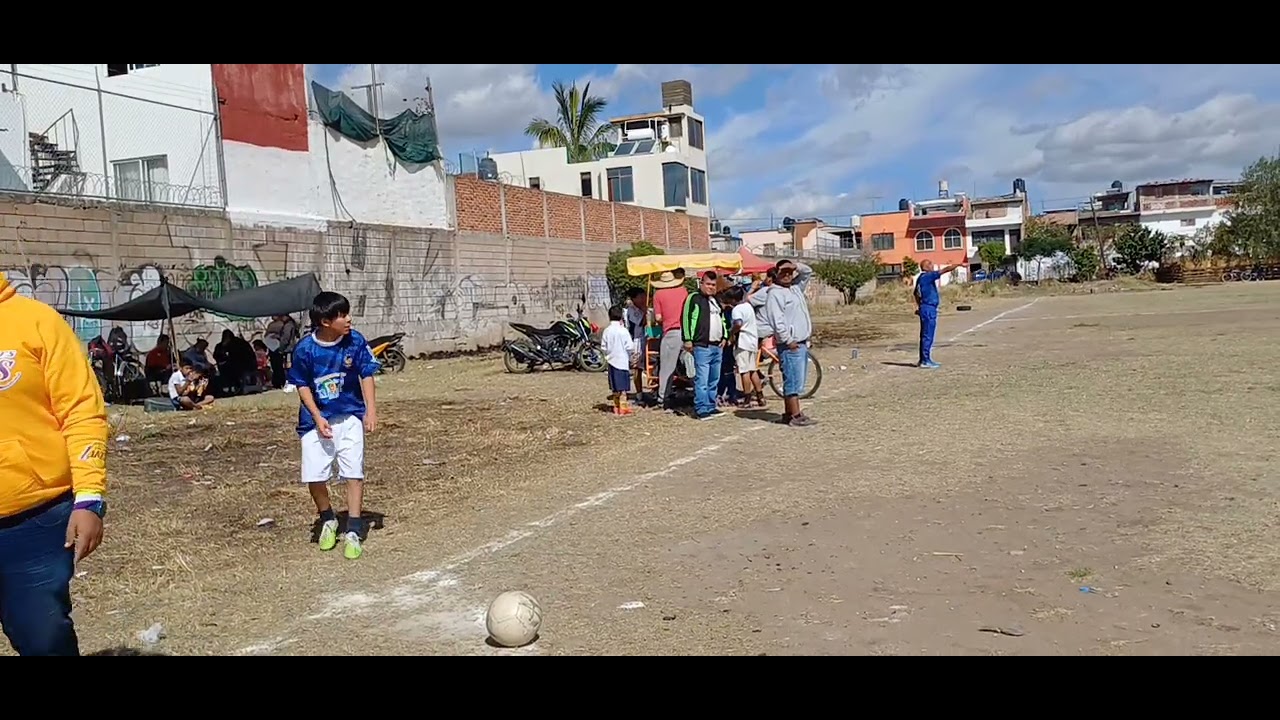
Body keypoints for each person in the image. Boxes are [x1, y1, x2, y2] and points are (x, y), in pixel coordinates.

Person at [0, 271, 108, 656]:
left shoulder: (36, 321)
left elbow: (81, 411)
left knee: (44, 641)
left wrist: (89, 497)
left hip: (33, 522)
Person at [287, 291, 381, 560]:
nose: (348, 319)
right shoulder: (305, 349)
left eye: (347, 313)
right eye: (342, 315)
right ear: (326, 322)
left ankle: (353, 528)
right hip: (316, 420)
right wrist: (317, 417)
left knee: (354, 472)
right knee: (315, 475)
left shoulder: (355, 341)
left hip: (350, 415)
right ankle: (328, 518)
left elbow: (366, 373)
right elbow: (302, 385)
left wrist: (370, 410)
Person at [765, 259, 816, 427]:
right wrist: (788, 340)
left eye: (789, 272)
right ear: (776, 274)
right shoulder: (774, 294)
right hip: (790, 344)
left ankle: (789, 413)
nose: (787, 275)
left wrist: (795, 266)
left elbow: (807, 272)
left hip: (801, 341)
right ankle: (795, 414)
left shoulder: (794, 289)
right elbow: (777, 321)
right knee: (793, 380)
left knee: (797, 378)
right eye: (783, 272)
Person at [681, 271, 727, 420]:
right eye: (708, 284)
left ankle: (710, 405)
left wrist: (725, 336)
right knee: (702, 379)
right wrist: (687, 339)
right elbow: (686, 318)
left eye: (713, 285)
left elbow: (722, 319)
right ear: (701, 283)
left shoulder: (716, 300)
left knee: (714, 378)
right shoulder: (693, 298)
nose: (711, 287)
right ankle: (701, 408)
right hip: (702, 345)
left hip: (717, 345)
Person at [913, 259, 966, 369]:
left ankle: (923, 359)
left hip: (925, 307)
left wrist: (919, 306)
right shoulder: (927, 276)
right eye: (930, 264)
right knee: (928, 335)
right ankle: (925, 360)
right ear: (925, 267)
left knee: (925, 335)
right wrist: (958, 265)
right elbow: (944, 270)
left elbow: (916, 293)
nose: (932, 266)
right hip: (928, 308)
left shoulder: (920, 278)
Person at [650, 269, 688, 409]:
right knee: (690, 364)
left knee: (667, 367)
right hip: (686, 331)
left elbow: (658, 317)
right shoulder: (683, 291)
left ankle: (663, 397)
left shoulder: (658, 295)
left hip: (671, 332)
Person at [726, 285, 765, 407]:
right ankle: (760, 396)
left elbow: (738, 323)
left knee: (744, 371)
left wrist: (731, 333)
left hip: (743, 342)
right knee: (753, 370)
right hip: (752, 341)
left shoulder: (737, 310)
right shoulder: (748, 306)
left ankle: (747, 398)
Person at [600, 304, 636, 416]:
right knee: (623, 389)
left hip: (611, 362)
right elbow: (630, 346)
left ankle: (616, 407)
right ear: (621, 316)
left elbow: (603, 347)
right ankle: (623, 408)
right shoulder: (623, 330)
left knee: (615, 388)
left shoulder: (607, 331)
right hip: (622, 362)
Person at [623, 287, 649, 404]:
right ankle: (639, 394)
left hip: (643, 339)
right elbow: (641, 322)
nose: (644, 299)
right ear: (634, 299)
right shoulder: (632, 310)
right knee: (637, 367)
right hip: (635, 341)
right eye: (641, 297)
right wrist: (645, 311)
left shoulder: (639, 309)